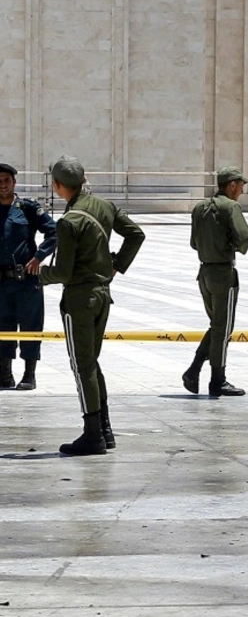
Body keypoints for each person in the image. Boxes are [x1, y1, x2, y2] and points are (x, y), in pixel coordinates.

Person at [38, 156, 145, 456]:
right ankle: (105, 430)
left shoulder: (69, 221)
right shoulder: (104, 206)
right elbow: (136, 234)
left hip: (79, 300)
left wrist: (38, 275)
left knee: (81, 365)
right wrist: (117, 265)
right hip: (102, 294)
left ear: (57, 185)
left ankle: (92, 434)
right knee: (91, 362)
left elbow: (63, 272)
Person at [183, 166, 248, 398]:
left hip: (204, 273)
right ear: (231, 185)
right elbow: (244, 238)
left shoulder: (200, 208)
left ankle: (193, 370)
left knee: (216, 325)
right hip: (223, 273)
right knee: (223, 329)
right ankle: (217, 380)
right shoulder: (231, 207)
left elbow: (194, 243)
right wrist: (232, 246)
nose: (241, 190)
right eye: (241, 186)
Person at [0, 163, 57, 390]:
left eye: (6, 180)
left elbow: (54, 231)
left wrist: (38, 257)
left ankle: (29, 375)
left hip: (26, 280)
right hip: (1, 281)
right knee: (3, 327)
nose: (2, 185)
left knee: (30, 325)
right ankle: (4, 374)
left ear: (14, 183)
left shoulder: (27, 208)